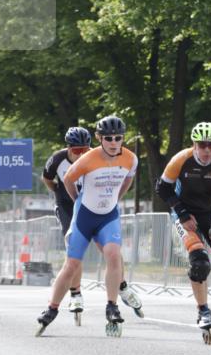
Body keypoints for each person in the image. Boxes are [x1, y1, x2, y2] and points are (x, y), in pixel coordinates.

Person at [36, 115, 138, 336]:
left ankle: (112, 306)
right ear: (100, 138)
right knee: (72, 264)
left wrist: (116, 198)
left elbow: (128, 179)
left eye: (118, 138)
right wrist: (76, 201)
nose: (113, 142)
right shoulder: (88, 158)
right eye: (108, 138)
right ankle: (52, 308)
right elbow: (67, 180)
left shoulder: (131, 158)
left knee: (113, 254)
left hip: (108, 215)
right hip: (84, 215)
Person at [155, 122, 211, 343]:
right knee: (200, 263)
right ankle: (203, 310)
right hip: (185, 215)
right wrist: (182, 213)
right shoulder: (181, 160)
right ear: (194, 145)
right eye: (202, 145)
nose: (207, 150)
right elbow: (162, 188)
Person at [42, 127, 91, 315]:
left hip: (85, 203)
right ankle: (75, 293)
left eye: (85, 150)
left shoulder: (94, 157)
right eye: (77, 150)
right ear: (69, 148)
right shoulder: (57, 159)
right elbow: (47, 178)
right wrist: (57, 189)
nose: (81, 155)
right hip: (65, 205)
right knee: (73, 247)